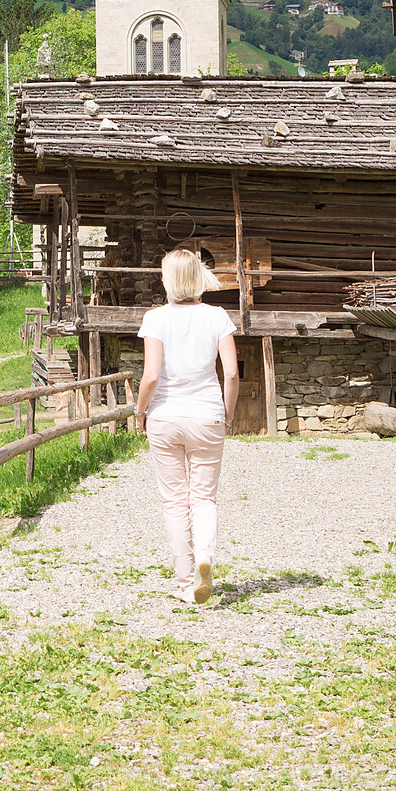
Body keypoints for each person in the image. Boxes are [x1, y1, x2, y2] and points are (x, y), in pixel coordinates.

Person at [133, 248, 238, 604]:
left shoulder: (155, 318)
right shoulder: (218, 316)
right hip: (207, 414)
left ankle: (184, 583)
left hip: (164, 416)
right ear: (198, 277)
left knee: (175, 502)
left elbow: (150, 377)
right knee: (204, 497)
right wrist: (228, 411)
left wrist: (139, 410)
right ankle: (205, 558)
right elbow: (233, 374)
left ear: (167, 279)